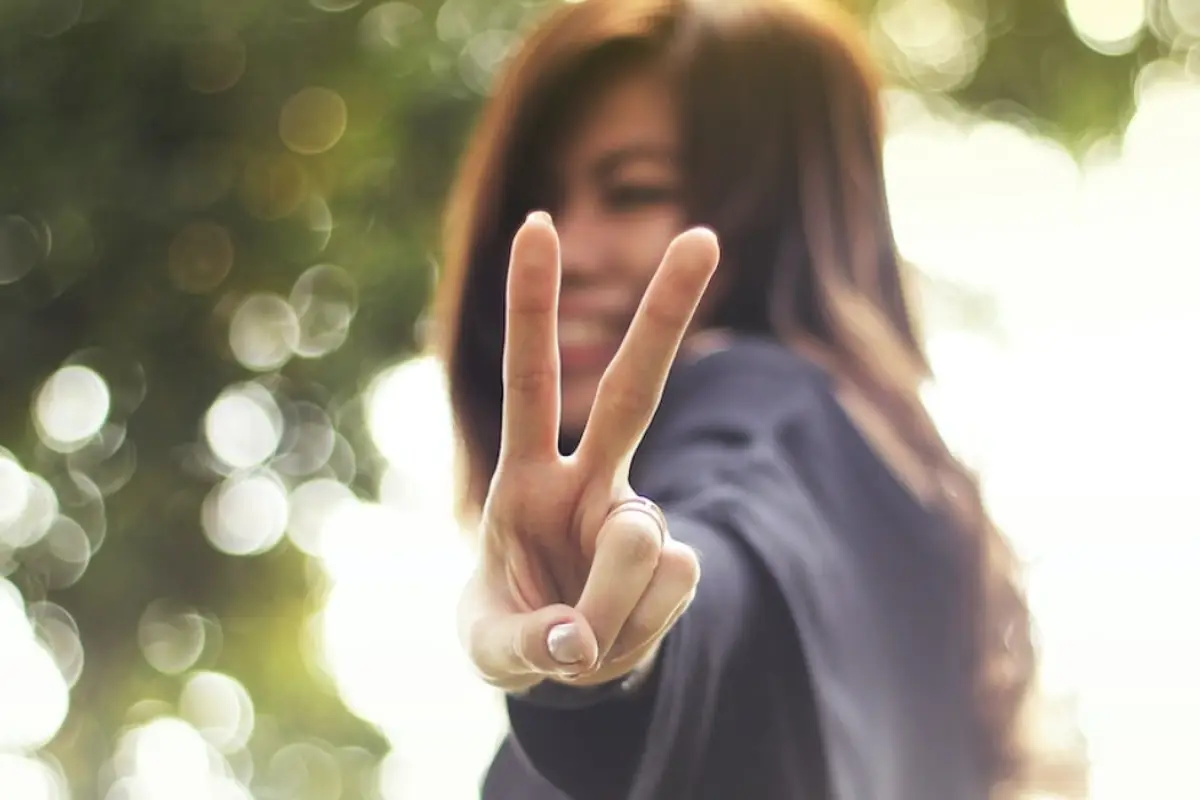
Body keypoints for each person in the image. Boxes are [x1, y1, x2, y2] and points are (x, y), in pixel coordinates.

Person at [432, 0, 1086, 798]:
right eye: (537, 206)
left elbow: (731, 552)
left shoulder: (760, 405)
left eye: (633, 192)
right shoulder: (923, 509)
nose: (568, 250)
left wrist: (625, 635)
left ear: (774, 215)